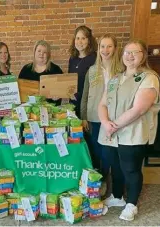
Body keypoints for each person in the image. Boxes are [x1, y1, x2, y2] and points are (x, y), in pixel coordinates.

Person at [98, 39, 160, 221]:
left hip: (133, 134)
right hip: (110, 133)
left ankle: (131, 204)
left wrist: (113, 125)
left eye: (135, 52)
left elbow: (139, 108)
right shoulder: (115, 78)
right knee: (115, 167)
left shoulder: (149, 77)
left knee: (131, 169)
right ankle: (117, 196)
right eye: (127, 52)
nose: (130, 55)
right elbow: (102, 104)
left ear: (143, 56)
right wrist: (105, 123)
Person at [80, 34, 121, 194]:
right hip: (94, 118)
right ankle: (100, 185)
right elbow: (85, 95)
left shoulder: (121, 70)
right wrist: (83, 117)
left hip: (115, 119)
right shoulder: (92, 70)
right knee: (97, 154)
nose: (105, 50)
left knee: (111, 155)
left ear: (115, 49)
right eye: (102, 46)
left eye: (109, 46)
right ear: (98, 49)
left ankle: (115, 186)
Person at [18, 40, 63, 106]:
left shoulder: (56, 70)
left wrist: (58, 96)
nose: (41, 54)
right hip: (30, 110)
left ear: (48, 55)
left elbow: (62, 90)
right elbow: (20, 90)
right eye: (39, 51)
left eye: (45, 52)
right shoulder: (26, 69)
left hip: (50, 110)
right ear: (34, 52)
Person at [68, 25, 97, 117]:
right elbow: (69, 79)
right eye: (77, 38)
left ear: (89, 40)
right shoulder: (72, 58)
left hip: (88, 103)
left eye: (83, 38)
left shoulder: (94, 58)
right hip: (74, 102)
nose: (80, 41)